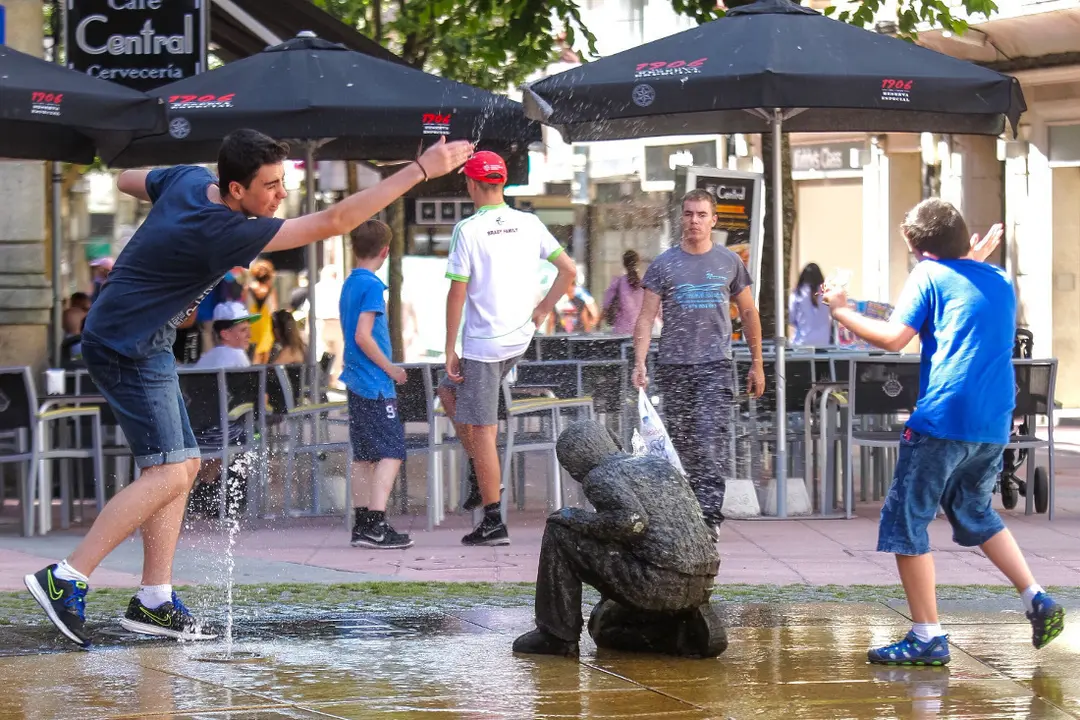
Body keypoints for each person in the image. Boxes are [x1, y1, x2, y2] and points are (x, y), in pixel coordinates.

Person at [23, 128, 473, 648]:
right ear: (235, 190)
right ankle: (67, 577)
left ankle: (154, 601)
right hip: (127, 346)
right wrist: (420, 170)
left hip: (141, 337)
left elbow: (126, 179)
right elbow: (335, 221)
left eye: (284, 181)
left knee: (180, 466)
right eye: (270, 185)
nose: (280, 194)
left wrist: (160, 265)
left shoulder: (190, 180)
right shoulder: (225, 228)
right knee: (173, 469)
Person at [823, 198, 1065, 665]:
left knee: (905, 522)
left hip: (942, 420)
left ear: (918, 250)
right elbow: (962, 290)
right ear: (962, 238)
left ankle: (927, 635)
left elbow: (895, 338)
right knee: (973, 512)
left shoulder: (928, 276)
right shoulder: (998, 280)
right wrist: (966, 260)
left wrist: (840, 309)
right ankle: (1036, 597)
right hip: (992, 424)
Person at [438, 150, 577, 547]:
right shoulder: (529, 223)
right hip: (520, 336)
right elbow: (569, 270)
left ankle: (493, 519)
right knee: (447, 390)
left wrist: (450, 346)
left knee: (483, 430)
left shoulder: (468, 229)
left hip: (485, 343)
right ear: (501, 183)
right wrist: (543, 310)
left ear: (470, 183)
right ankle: (479, 469)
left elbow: (457, 292)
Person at [512, 420, 723, 659]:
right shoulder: (657, 464)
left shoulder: (599, 475)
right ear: (615, 441)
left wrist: (573, 517)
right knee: (605, 627)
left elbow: (631, 522)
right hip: (702, 584)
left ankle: (555, 635)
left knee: (559, 528)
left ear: (573, 468)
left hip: (656, 581)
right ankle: (683, 630)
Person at [632, 189, 765, 537]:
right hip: (674, 366)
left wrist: (757, 363)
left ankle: (709, 519)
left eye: (701, 214)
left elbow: (749, 312)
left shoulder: (729, 262)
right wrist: (640, 361)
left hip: (715, 365)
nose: (694, 221)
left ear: (713, 220)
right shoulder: (664, 263)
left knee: (709, 439)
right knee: (681, 443)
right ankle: (687, 510)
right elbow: (646, 317)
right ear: (682, 218)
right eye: (689, 214)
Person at [340, 220, 412, 549]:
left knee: (364, 457)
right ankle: (378, 522)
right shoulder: (371, 285)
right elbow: (363, 336)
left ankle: (363, 525)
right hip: (375, 382)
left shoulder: (350, 283)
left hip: (356, 380)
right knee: (392, 451)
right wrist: (391, 369)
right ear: (385, 251)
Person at [194, 302, 258, 369]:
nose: (249, 335)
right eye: (243, 330)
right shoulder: (238, 355)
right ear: (225, 335)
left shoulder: (206, 358)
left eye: (249, 329)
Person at [602, 250, 647, 334]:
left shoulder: (617, 283)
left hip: (621, 333)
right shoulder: (646, 284)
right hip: (643, 333)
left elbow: (606, 308)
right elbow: (657, 310)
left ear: (624, 263)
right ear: (639, 263)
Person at [789, 263, 832, 347]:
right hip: (823, 343)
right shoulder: (826, 293)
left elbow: (791, 318)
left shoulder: (798, 293)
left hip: (802, 343)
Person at [247, 259, 277, 364]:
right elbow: (274, 308)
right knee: (265, 354)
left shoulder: (248, 288)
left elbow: (244, 306)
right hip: (265, 324)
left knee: (253, 353)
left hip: (252, 322)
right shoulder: (270, 289)